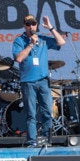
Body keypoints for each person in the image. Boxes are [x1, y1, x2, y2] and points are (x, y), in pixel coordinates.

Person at [12, 14, 66, 147]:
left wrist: (51, 28)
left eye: (33, 24)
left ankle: (48, 140)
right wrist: (30, 45)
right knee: (31, 113)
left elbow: (61, 42)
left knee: (47, 111)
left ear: (36, 25)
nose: (31, 26)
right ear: (24, 26)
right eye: (28, 24)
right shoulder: (19, 41)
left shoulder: (43, 39)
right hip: (28, 82)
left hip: (43, 81)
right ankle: (32, 142)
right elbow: (18, 58)